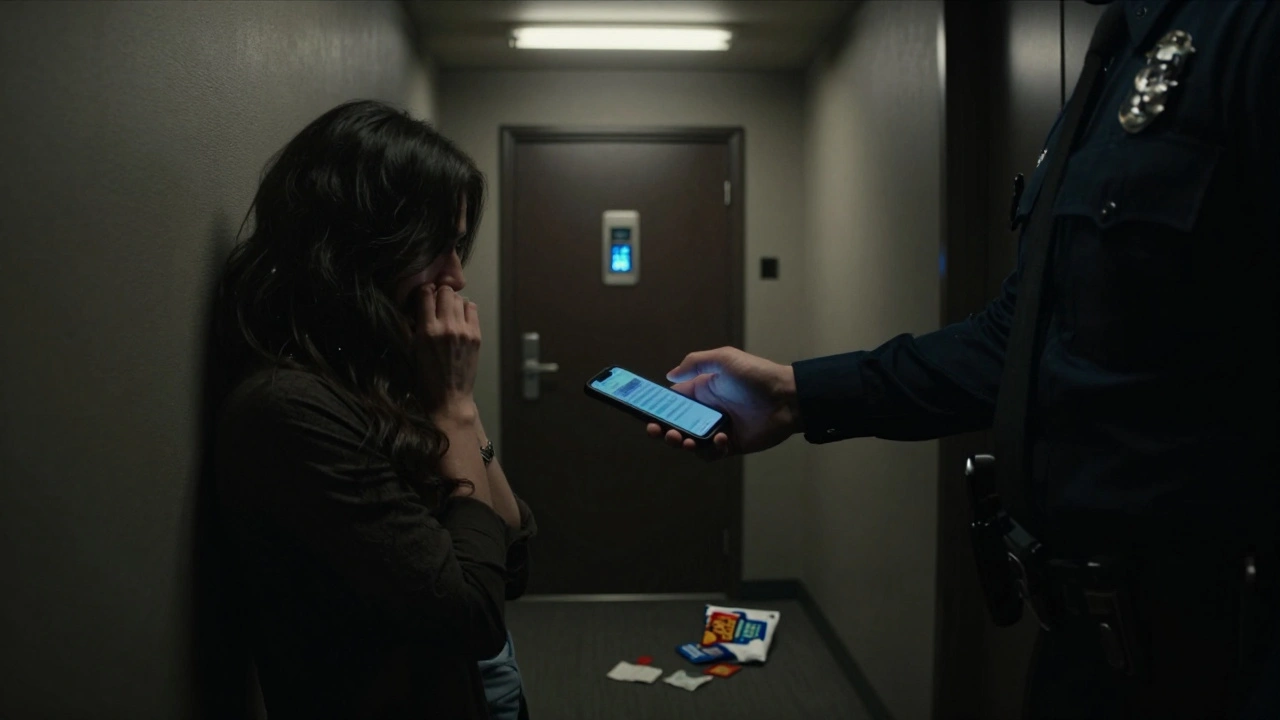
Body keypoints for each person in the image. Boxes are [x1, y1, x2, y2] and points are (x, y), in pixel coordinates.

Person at [647, 1, 1277, 718]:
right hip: (1088, 650)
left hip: (1217, 655)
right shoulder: (1116, 52)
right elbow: (1017, 339)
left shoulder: (1246, 32)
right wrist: (796, 394)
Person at [213, 100, 535, 720]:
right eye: (436, 248)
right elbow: (472, 614)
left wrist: (460, 415)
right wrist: (456, 404)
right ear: (358, 247)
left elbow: (511, 558)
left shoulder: (379, 372)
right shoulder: (290, 411)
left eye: (458, 246)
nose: (456, 277)